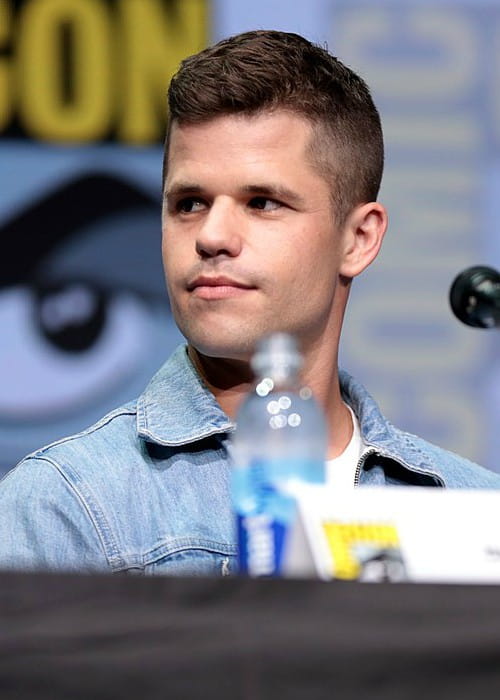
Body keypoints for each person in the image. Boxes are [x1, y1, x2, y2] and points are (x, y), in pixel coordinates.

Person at [1, 30, 499, 576]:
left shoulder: (475, 509)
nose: (212, 235)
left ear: (358, 239)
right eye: (189, 203)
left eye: (261, 202)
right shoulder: (66, 506)